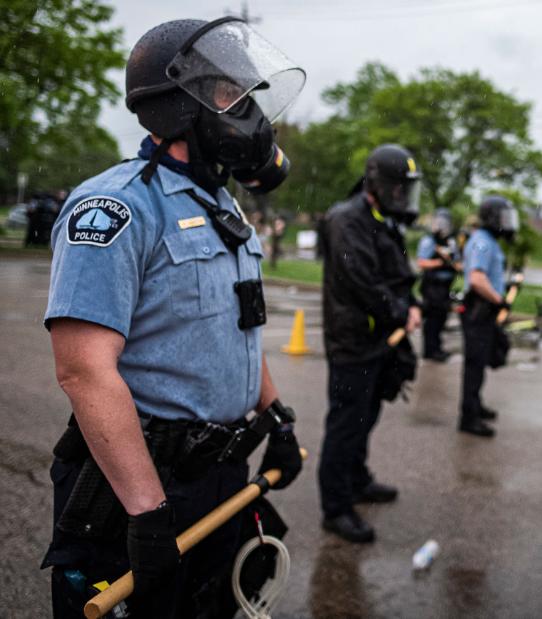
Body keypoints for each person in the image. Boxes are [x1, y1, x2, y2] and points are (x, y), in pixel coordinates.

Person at [40, 18, 305, 618]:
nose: (249, 114)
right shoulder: (115, 208)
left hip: (219, 478)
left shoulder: (222, 205)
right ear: (177, 106)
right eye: (228, 95)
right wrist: (146, 508)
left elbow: (237, 328)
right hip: (139, 484)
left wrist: (275, 416)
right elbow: (83, 371)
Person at [317, 144, 423, 543]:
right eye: (399, 188)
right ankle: (336, 507)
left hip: (379, 340)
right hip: (352, 342)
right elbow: (361, 281)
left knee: (366, 417)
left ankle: (357, 480)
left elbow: (396, 275)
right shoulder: (347, 219)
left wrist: (408, 305)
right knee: (346, 424)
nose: (403, 197)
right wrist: (400, 311)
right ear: (380, 184)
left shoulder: (383, 218)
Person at [458, 195, 518, 438]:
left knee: (481, 361)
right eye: (503, 217)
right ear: (493, 218)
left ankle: (476, 406)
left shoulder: (488, 240)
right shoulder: (482, 242)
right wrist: (498, 299)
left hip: (483, 311)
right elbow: (476, 279)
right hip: (478, 310)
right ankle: (468, 417)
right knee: (475, 364)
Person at [417, 208, 460, 362]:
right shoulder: (430, 241)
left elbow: (457, 262)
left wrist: (454, 264)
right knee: (432, 319)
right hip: (432, 286)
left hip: (445, 287)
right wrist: (441, 262)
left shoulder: (451, 241)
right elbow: (421, 263)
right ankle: (430, 350)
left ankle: (437, 347)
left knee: (441, 317)